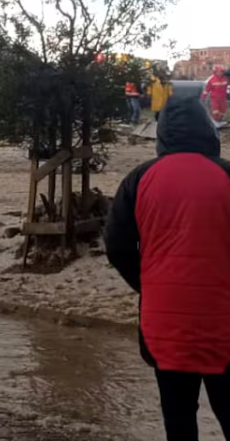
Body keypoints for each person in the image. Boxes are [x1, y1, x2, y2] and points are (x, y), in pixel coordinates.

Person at [105, 94, 230, 441]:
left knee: (178, 419)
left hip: (164, 323)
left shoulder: (139, 178)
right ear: (209, 130)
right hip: (224, 320)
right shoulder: (226, 174)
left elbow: (116, 246)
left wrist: (149, 283)